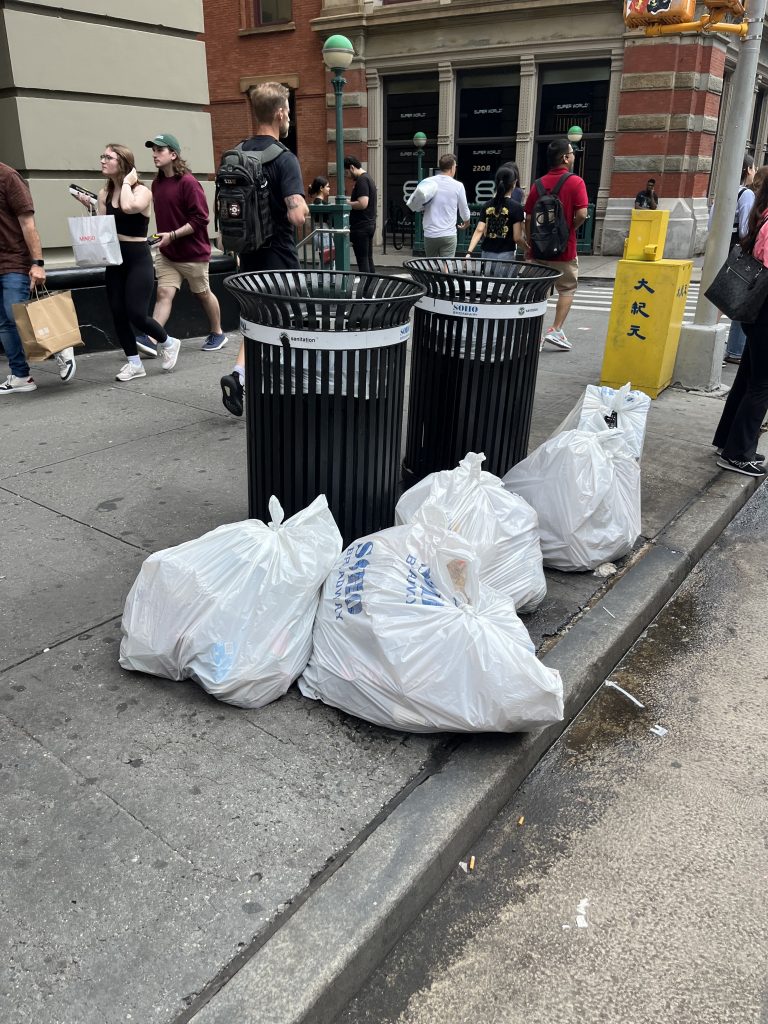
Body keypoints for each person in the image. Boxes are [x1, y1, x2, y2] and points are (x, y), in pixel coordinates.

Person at [219, 83, 308, 417]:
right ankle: (289, 390)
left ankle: (239, 377)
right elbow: (296, 213)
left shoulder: (236, 153)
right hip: (279, 255)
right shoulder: (284, 159)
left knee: (258, 320)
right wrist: (302, 207)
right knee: (291, 321)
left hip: (248, 255)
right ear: (281, 112)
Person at [78, 144, 179, 382]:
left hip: (137, 257)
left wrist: (125, 183)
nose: (102, 160)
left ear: (122, 163)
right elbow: (104, 230)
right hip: (115, 259)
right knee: (117, 313)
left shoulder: (142, 191)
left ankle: (169, 342)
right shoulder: (103, 194)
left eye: (108, 157)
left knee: (136, 313)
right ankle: (134, 363)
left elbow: (129, 207)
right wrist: (92, 210)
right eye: (102, 156)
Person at [137, 133, 227, 354]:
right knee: (163, 294)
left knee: (203, 293)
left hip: (192, 253)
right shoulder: (157, 184)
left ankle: (218, 332)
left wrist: (173, 235)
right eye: (153, 150)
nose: (154, 154)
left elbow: (201, 219)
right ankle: (152, 338)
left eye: (160, 150)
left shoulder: (188, 182)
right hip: (168, 252)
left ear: (173, 154)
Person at [0, 162, 75, 394]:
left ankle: (61, 346)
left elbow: (28, 224)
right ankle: (21, 375)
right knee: (4, 323)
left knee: (15, 316)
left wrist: (37, 263)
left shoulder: (8, 177)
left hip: (14, 260)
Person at [712, 172, 768, 478]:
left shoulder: (764, 217)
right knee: (761, 386)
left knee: (748, 378)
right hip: (764, 313)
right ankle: (737, 453)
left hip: (757, 314)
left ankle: (728, 442)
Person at [524, 138, 589, 352]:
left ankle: (533, 334)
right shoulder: (575, 182)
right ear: (565, 158)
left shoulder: (538, 184)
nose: (573, 155)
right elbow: (582, 213)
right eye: (571, 152)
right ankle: (555, 329)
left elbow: (529, 217)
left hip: (539, 248)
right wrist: (569, 229)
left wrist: (530, 244)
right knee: (567, 288)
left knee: (537, 291)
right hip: (563, 249)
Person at [721, 155, 757, 365]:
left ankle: (722, 345)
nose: (754, 172)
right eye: (752, 168)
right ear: (747, 169)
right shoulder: (746, 194)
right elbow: (744, 229)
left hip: (723, 248)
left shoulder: (725, 190)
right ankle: (734, 350)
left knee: (720, 298)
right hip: (738, 251)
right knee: (737, 299)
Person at [464, 163, 524, 262]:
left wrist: (469, 252)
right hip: (506, 255)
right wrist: (527, 248)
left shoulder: (487, 205)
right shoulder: (517, 207)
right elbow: (517, 237)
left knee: (487, 277)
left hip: (486, 254)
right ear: (514, 183)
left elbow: (479, 230)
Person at [422, 154, 470, 258]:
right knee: (447, 264)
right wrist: (466, 223)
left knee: (430, 264)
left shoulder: (427, 182)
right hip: (448, 233)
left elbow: (420, 204)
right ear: (453, 167)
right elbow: (464, 209)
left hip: (430, 233)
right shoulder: (458, 186)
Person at [344, 156, 377, 274]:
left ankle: (365, 290)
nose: (347, 176)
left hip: (361, 227)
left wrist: (347, 203)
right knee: (368, 259)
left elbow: (363, 204)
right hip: (369, 224)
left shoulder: (362, 180)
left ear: (352, 168)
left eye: (347, 172)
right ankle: (370, 287)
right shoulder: (368, 178)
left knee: (363, 261)